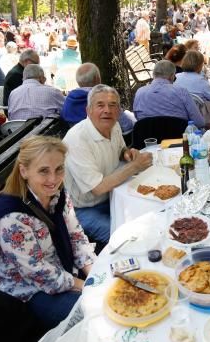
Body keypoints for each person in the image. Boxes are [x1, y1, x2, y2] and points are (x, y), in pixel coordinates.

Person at [0, 136, 95, 329]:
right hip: (30, 292)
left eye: (59, 169)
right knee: (94, 316)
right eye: (44, 171)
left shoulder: (59, 195)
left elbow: (76, 236)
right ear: (24, 171)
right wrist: (88, 286)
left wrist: (93, 271)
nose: (53, 179)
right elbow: (40, 274)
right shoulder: (12, 218)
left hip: (63, 272)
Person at [64, 85, 152, 244]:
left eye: (113, 105)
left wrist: (127, 153)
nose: (107, 110)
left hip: (113, 195)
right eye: (100, 105)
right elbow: (98, 188)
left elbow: (120, 149)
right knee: (130, 239)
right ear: (88, 110)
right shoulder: (77, 140)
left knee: (151, 217)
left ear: (119, 110)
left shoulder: (114, 125)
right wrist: (134, 166)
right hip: (82, 210)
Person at [61, 62, 134, 134]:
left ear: (78, 81)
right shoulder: (105, 98)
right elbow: (127, 126)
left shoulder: (68, 100)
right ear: (97, 78)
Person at [133, 59, 204, 128]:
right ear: (171, 76)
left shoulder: (140, 92)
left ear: (153, 74)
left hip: (147, 137)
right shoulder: (182, 92)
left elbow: (138, 117)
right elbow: (199, 122)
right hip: (177, 137)